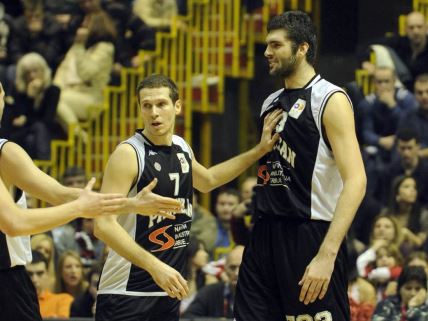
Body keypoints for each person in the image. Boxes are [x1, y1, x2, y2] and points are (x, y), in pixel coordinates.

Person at [94, 73, 282, 321]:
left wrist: (259, 150)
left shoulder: (181, 147)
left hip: (167, 289)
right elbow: (102, 225)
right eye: (146, 106)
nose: (153, 113)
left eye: (161, 104)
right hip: (127, 291)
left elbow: (209, 180)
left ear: (177, 106)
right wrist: (155, 267)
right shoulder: (129, 154)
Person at [0, 79, 182, 321]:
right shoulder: (6, 152)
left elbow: (59, 193)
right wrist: (77, 208)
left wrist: (129, 203)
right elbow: (14, 222)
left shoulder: (7, 153)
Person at [233, 11, 367, 321]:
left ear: (302, 48)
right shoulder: (271, 102)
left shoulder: (330, 99)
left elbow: (357, 181)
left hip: (309, 233)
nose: (267, 52)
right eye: (267, 45)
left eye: (276, 45)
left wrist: (327, 253)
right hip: (264, 232)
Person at [183, 245, 244, 319]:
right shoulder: (209, 292)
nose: (236, 273)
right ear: (225, 268)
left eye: (242, 267)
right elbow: (187, 317)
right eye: (232, 267)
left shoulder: (260, 293)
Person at [26, 250, 74, 319]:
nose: (34, 280)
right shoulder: (13, 303)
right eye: (29, 274)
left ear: (47, 274)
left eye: (40, 273)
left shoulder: (63, 300)